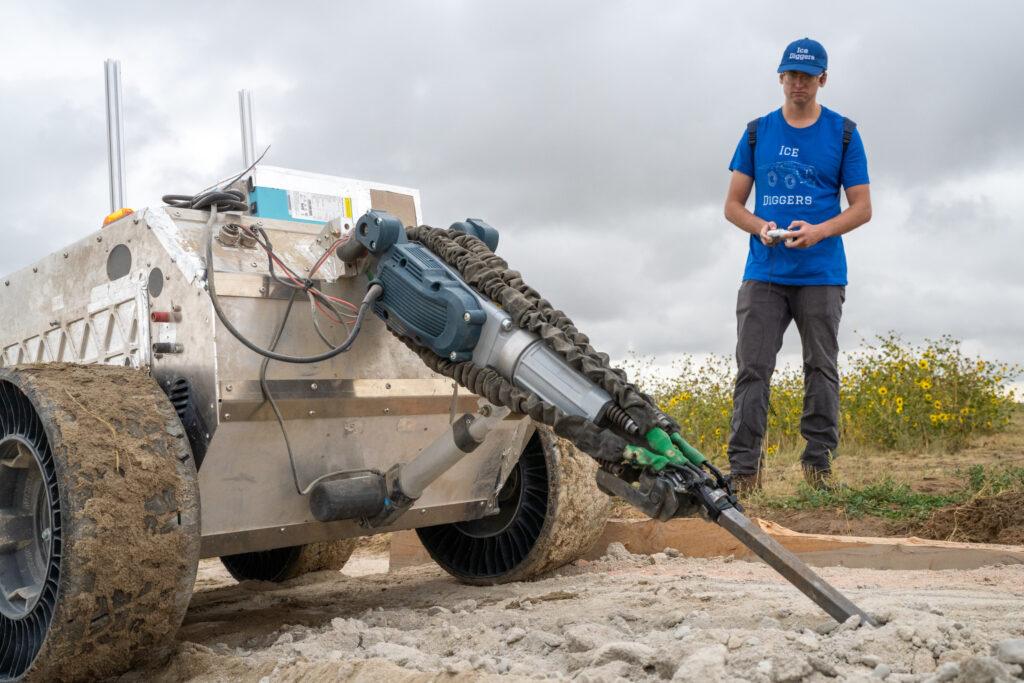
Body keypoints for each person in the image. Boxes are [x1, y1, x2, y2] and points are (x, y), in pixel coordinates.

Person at [722, 37, 872, 493]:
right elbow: (732, 205)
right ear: (780, 77)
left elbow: (862, 207)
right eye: (792, 74)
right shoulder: (756, 132)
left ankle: (817, 469)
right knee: (752, 369)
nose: (799, 83)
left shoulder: (844, 133)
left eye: (808, 76)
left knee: (821, 369)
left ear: (822, 79)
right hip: (764, 272)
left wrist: (820, 231)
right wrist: (760, 226)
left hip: (821, 274)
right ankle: (745, 474)